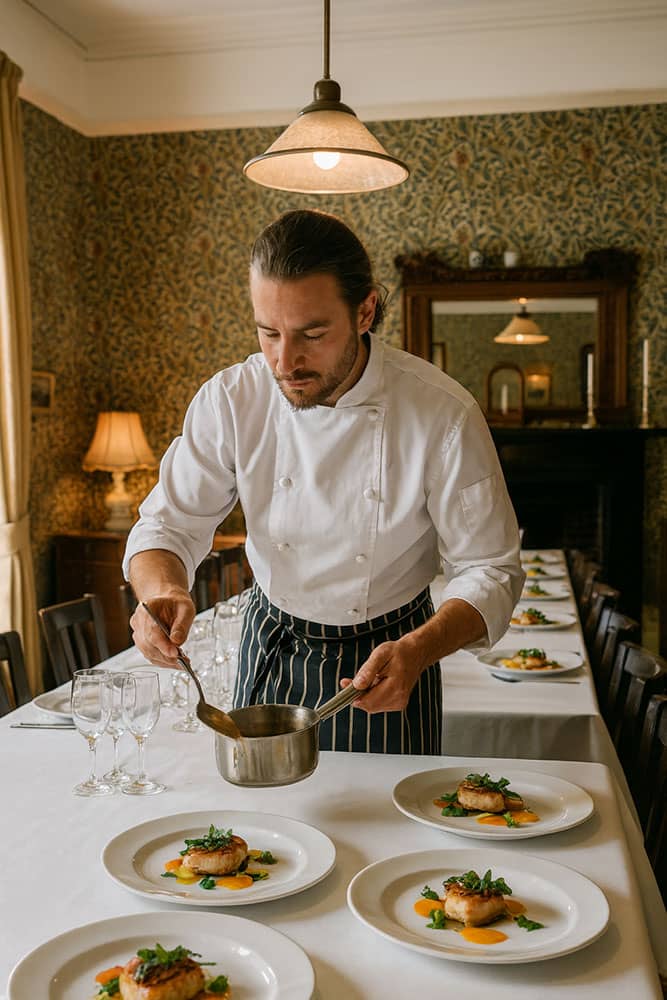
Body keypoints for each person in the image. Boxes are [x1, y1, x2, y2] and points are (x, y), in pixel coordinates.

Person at [124, 209, 524, 754]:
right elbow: (167, 524)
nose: (285, 361)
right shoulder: (231, 399)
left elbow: (491, 569)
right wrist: (161, 590)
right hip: (270, 646)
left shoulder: (441, 413)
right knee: (257, 830)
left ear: (365, 311)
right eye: (268, 333)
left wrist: (419, 649)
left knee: (387, 832)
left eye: (312, 334)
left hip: (390, 661)